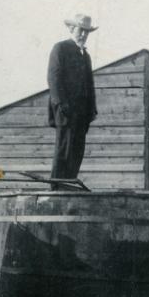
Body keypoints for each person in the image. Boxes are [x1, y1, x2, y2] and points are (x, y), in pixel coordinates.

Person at [47, 13, 98, 187]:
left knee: (77, 152)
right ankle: (56, 190)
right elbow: (53, 79)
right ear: (71, 29)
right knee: (64, 152)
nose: (83, 34)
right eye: (80, 30)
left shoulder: (86, 56)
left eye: (87, 32)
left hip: (82, 115)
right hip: (67, 113)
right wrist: (62, 106)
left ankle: (67, 187)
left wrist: (92, 110)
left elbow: (89, 84)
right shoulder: (60, 48)